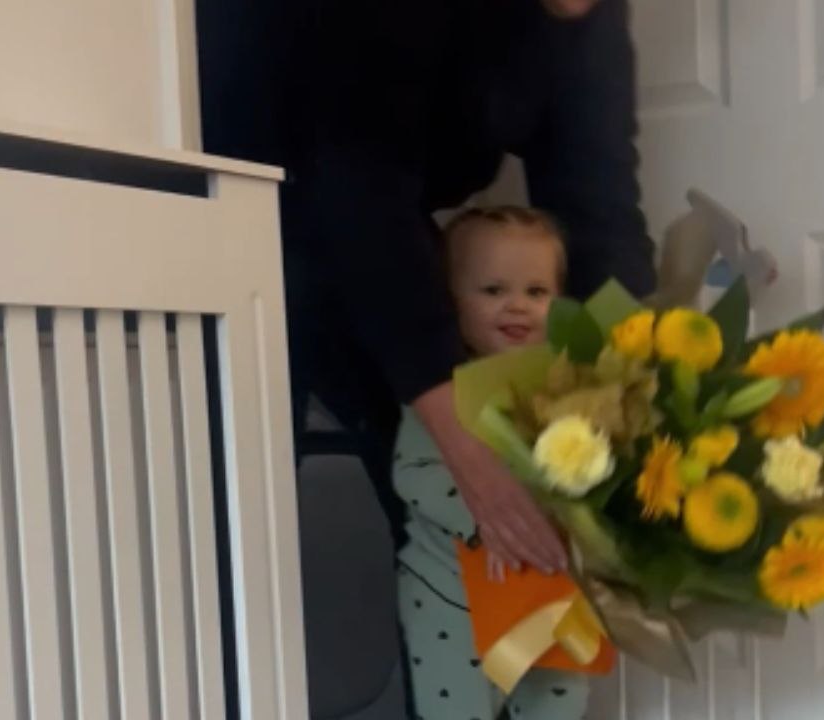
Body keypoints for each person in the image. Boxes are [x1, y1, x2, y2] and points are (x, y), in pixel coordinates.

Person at [197, 0, 656, 712]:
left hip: (365, 206)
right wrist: (463, 446)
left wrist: (635, 408)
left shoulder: (587, 18)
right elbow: (356, 184)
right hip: (231, 194)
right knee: (235, 528)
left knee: (456, 512)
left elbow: (598, 205)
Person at [394, 206, 588, 720]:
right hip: (453, 599)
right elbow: (413, 475)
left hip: (550, 593)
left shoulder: (568, 388)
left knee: (559, 703)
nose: (517, 306)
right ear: (451, 301)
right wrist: (486, 522)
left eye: (537, 291)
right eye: (493, 290)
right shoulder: (442, 392)